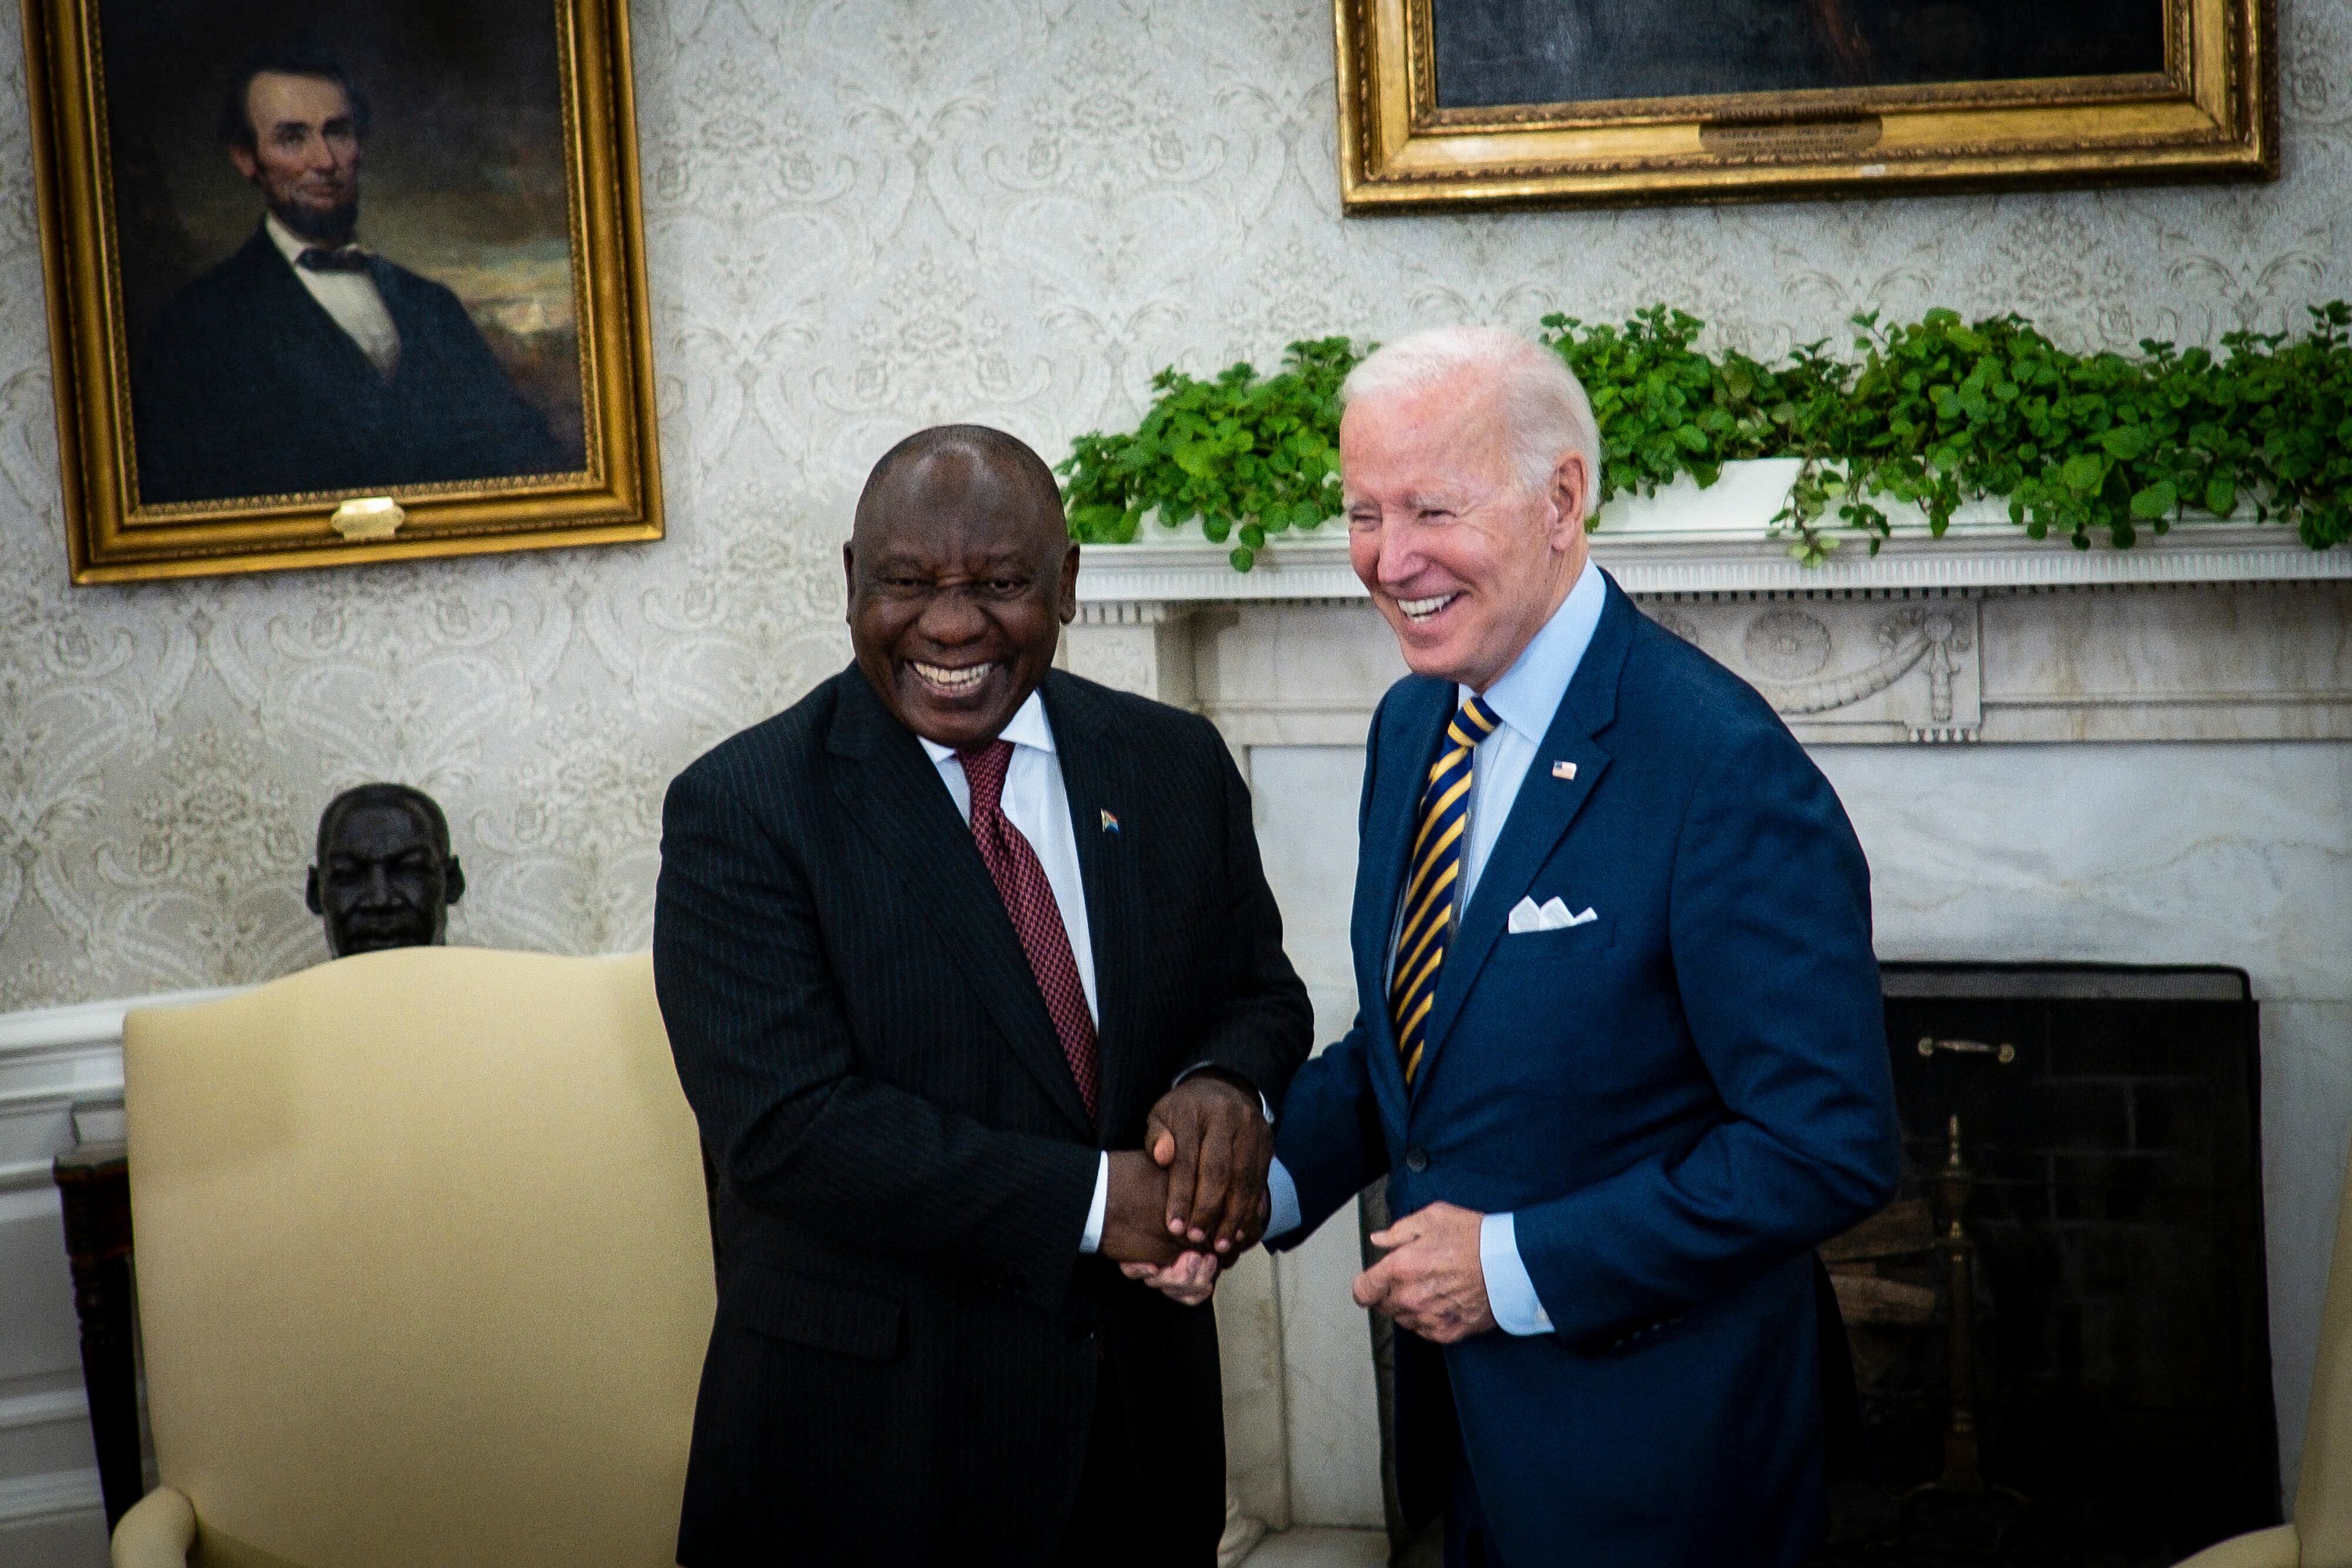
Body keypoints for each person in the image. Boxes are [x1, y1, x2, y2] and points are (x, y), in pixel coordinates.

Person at [1261, 327, 1902, 1567]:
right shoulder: (1412, 726)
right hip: (1479, 1456)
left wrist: (1508, 1263)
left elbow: (1824, 1144)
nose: (1389, 561)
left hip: (1668, 1467)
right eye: (1360, 513)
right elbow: (1413, 1044)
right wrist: (1246, 1187)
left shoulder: (1719, 762)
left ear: (1562, 499)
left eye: (1430, 508)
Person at [652, 425, 1313, 1566]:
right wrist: (1107, 1201)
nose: (950, 625)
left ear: (1064, 583)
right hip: (874, 1454)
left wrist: (1220, 1083)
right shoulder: (745, 807)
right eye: (907, 583)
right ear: (851, 580)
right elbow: (786, 1129)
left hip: (1137, 1436)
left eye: (1000, 584)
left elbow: (1257, 992)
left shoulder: (1170, 762)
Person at [132, 39, 570, 505]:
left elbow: (522, 454)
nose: (325, 162)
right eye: (292, 138)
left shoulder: (433, 305)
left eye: (338, 132)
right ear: (246, 158)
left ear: (359, 144)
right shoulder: (196, 324)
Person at [305, 782, 465, 957]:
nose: (380, 901)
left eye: (409, 870)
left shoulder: (495, 983)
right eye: (348, 874)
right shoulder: (284, 986)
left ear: (451, 882)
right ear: (315, 893)